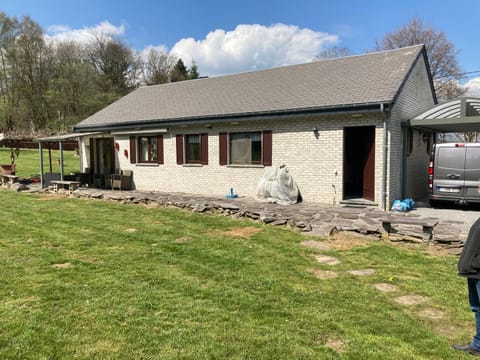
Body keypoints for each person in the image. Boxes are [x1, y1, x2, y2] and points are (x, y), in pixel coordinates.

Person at [454, 217, 480, 356]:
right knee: (477, 309)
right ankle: (477, 345)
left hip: (477, 269)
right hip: (473, 271)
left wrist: (476, 263)